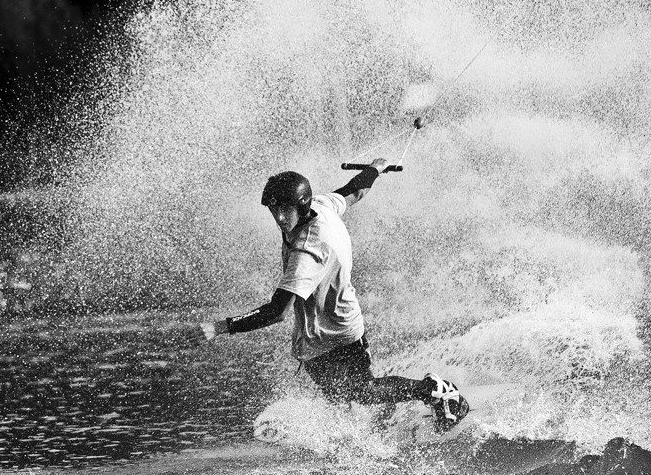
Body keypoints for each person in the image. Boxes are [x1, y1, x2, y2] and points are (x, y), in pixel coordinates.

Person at [201, 159, 469, 432]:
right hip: (316, 333)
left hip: (338, 330)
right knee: (340, 397)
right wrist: (375, 169)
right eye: (274, 210)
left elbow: (277, 312)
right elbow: (354, 191)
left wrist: (219, 327)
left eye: (285, 210)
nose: (279, 218)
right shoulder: (322, 206)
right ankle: (380, 420)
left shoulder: (308, 251)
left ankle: (435, 390)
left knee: (363, 391)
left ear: (301, 206)